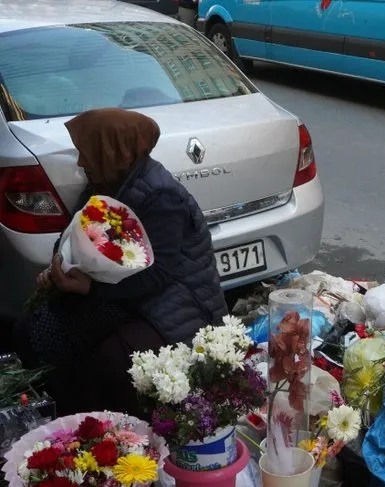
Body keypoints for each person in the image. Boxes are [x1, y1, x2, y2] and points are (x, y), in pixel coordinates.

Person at [13, 108, 228, 416]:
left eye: (88, 153)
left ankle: (114, 431)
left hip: (174, 304)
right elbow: (76, 231)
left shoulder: (162, 196)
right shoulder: (106, 182)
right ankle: (70, 420)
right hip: (122, 293)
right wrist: (59, 265)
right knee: (34, 327)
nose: (81, 162)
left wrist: (89, 289)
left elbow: (158, 276)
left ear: (115, 151)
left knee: (111, 359)